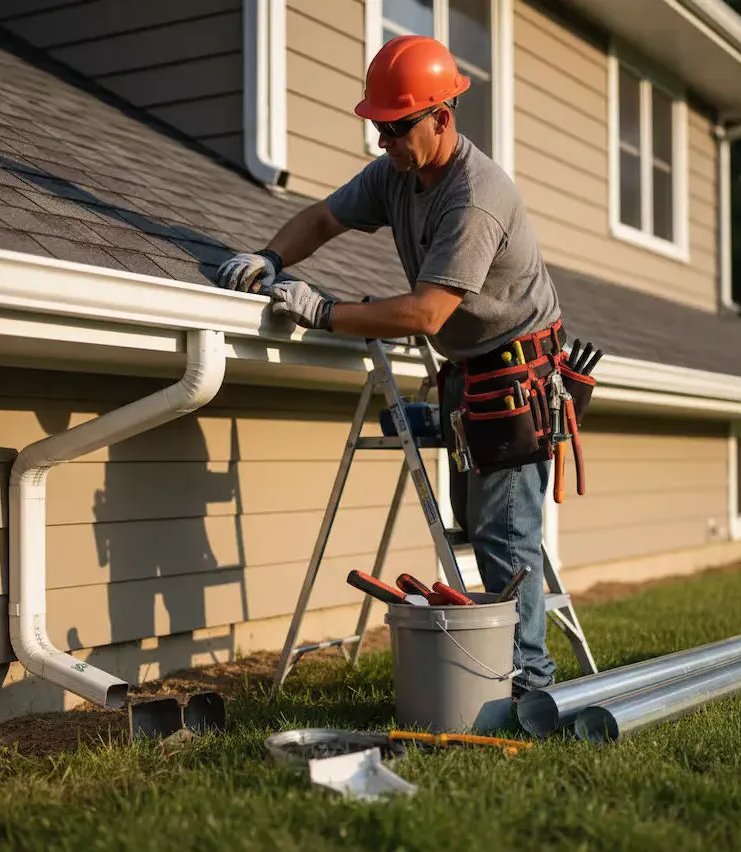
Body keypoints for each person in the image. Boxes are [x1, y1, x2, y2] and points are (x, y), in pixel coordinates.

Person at [214, 34, 568, 694]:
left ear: (442, 117)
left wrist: (325, 312)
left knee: (503, 536)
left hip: (515, 377)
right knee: (480, 525)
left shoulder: (475, 196)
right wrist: (271, 258)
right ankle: (509, 670)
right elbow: (324, 218)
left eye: (396, 128)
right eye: (379, 128)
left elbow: (426, 313)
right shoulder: (397, 173)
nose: (384, 142)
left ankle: (530, 687)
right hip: (470, 370)